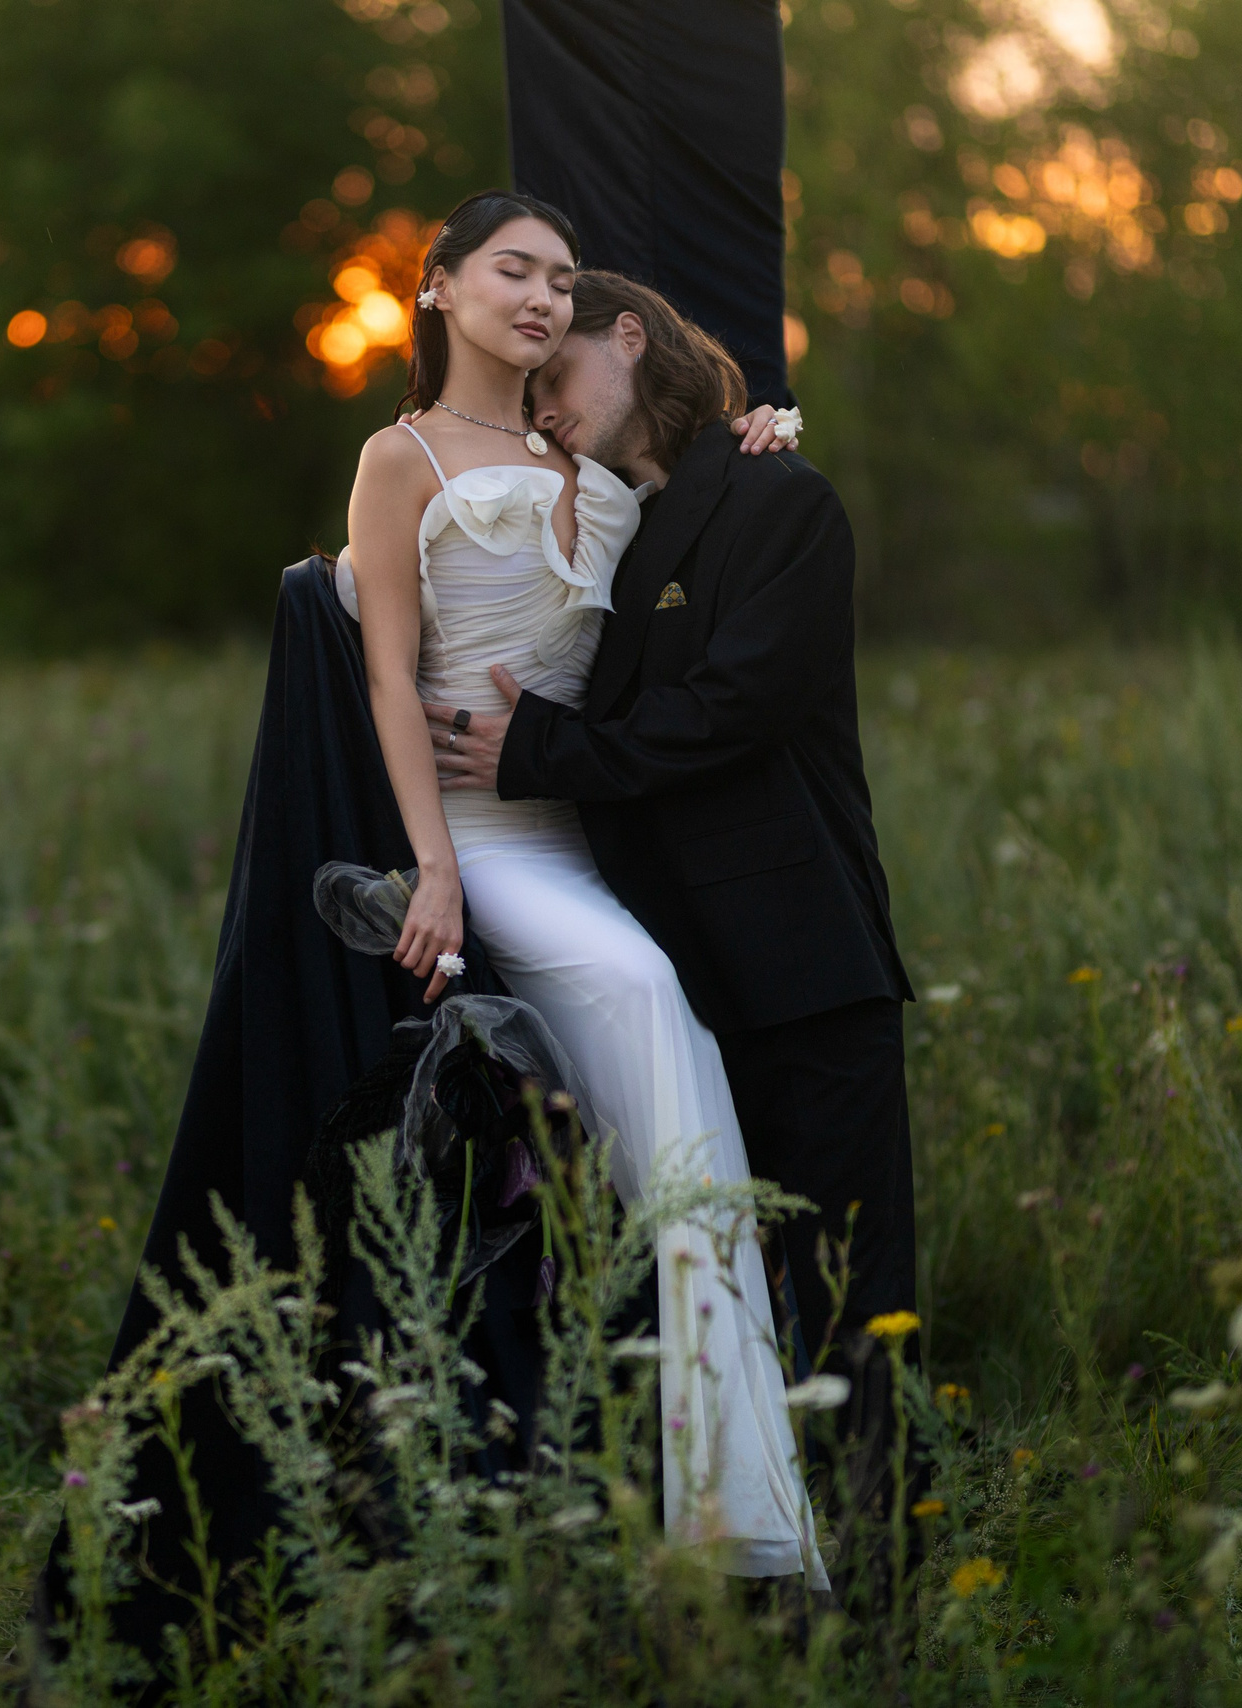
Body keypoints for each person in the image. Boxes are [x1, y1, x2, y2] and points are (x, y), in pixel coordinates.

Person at [335, 191, 824, 1583]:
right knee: (643, 991)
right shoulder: (400, 456)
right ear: (439, 288)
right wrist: (432, 864)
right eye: (512, 271)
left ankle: (724, 1487)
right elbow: (383, 671)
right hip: (490, 845)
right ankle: (729, 1505)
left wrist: (754, 439)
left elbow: (704, 523)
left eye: (559, 279)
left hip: (603, 836)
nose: (542, 297)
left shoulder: (590, 450)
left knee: (684, 1046)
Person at [427, 269, 920, 1563]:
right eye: (521, 393)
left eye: (556, 374)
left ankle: (880, 1594)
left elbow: (730, 713)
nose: (541, 408)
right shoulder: (613, 526)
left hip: (807, 978)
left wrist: (535, 753)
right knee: (709, 1294)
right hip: (679, 989)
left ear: (630, 335)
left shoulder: (782, 501)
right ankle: (738, 1573)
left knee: (851, 1307)